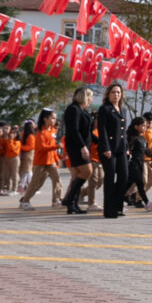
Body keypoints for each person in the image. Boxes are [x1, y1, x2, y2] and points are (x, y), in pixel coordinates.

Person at [95, 83, 128, 219]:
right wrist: (106, 148)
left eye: (119, 93)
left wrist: (126, 148)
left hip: (121, 148)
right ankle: (109, 210)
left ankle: (118, 206)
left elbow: (123, 131)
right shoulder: (104, 109)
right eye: (114, 92)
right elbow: (102, 130)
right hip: (109, 149)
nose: (116, 95)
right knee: (109, 178)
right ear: (108, 94)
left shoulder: (122, 110)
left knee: (124, 177)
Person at [62, 86, 96, 215]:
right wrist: (82, 147)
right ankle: (70, 200)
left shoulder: (82, 110)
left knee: (77, 175)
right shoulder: (73, 109)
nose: (91, 99)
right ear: (84, 96)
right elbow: (73, 130)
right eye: (90, 96)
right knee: (87, 171)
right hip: (76, 146)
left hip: (82, 145)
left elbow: (88, 132)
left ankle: (72, 204)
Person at [20, 109, 62, 210]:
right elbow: (42, 147)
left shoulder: (53, 130)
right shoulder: (40, 132)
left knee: (57, 179)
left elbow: (53, 147)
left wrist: (58, 157)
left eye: (55, 118)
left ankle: (56, 200)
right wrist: (56, 146)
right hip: (40, 162)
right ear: (45, 119)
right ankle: (25, 201)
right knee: (36, 183)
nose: (54, 120)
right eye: (52, 118)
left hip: (50, 161)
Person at [126, 118, 152, 210]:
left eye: (145, 125)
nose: (145, 127)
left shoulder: (142, 138)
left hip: (140, 164)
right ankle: (147, 203)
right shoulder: (131, 138)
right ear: (136, 127)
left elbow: (147, 151)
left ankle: (118, 199)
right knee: (140, 183)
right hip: (133, 164)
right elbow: (126, 148)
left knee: (127, 185)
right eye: (142, 125)